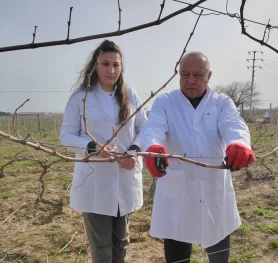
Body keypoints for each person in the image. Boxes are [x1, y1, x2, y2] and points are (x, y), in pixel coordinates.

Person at [139, 51, 255, 263]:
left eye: (198, 74)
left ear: (209, 76)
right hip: (178, 192)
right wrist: (152, 147)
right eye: (185, 74)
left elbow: (233, 124)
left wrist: (238, 143)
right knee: (177, 254)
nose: (190, 80)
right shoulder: (166, 102)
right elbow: (152, 127)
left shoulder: (221, 102)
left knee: (219, 253)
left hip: (213, 190)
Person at [60, 40, 147, 263]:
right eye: (105, 64)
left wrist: (135, 151)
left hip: (125, 177)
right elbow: (66, 136)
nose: (111, 70)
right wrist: (93, 147)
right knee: (101, 246)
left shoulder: (131, 95)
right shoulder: (81, 97)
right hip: (94, 182)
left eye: (116, 65)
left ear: (121, 67)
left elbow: (144, 129)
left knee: (122, 242)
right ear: (95, 66)